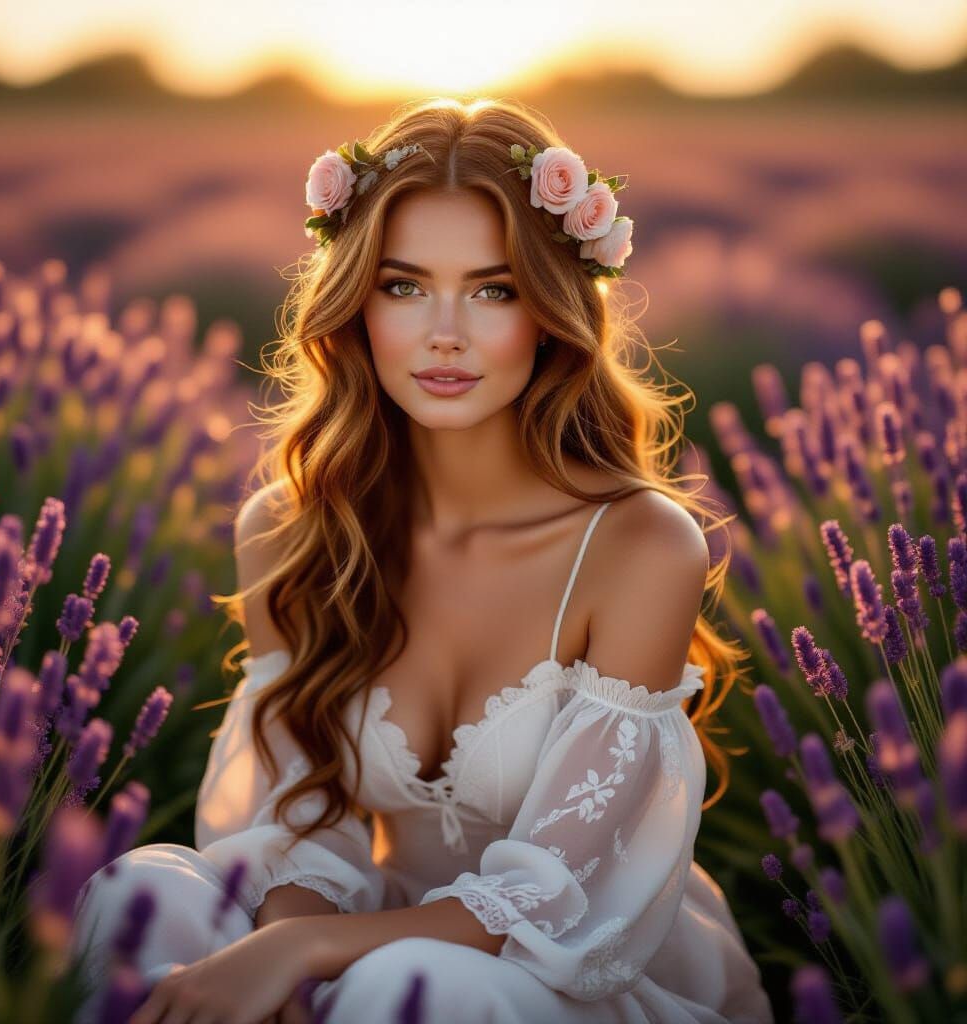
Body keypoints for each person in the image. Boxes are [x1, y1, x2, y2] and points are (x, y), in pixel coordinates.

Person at [70, 95, 774, 1024]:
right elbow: (296, 817)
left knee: (423, 988)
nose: (446, 332)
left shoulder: (638, 546)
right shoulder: (292, 528)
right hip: (366, 932)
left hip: (562, 968)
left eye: (494, 289)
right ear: (356, 305)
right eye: (404, 286)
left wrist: (302, 949)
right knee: (141, 894)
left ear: (554, 311)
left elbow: (559, 896)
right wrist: (283, 952)